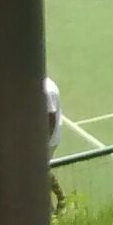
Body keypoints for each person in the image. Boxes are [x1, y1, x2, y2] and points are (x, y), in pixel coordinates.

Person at [45, 75, 65, 210]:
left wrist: (43, 141)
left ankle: (54, 206)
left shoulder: (47, 90)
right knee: (42, 169)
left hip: (48, 139)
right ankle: (61, 198)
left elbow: (50, 118)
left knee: (38, 172)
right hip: (43, 137)